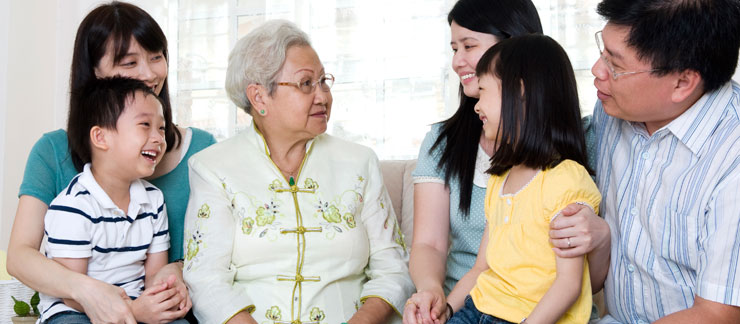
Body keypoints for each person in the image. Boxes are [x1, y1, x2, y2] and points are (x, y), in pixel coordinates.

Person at [182, 19, 414, 324]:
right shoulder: (212, 167)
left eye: (324, 81)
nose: (323, 96)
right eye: (306, 83)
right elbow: (206, 279)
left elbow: (393, 269)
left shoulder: (359, 162)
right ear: (259, 97)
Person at [404, 0, 612, 323]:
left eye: (469, 46)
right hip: (477, 303)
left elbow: (575, 281)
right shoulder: (494, 173)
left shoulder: (568, 171)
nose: (457, 61)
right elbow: (467, 261)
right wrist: (439, 302)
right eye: (453, 48)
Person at [7, 2, 214, 323]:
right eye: (130, 62)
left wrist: (179, 268)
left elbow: (225, 252)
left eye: (157, 56)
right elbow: (20, 256)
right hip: (79, 308)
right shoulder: (53, 153)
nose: (149, 73)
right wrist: (88, 290)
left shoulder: (201, 151)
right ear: (94, 72)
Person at [583, 0, 740, 323]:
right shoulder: (614, 109)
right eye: (603, 52)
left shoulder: (732, 156)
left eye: (615, 65)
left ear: (683, 83)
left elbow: (717, 314)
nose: (598, 71)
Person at [446, 34, 600, 324]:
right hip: (478, 309)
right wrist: (447, 310)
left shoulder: (566, 180)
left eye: (483, 92)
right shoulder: (500, 178)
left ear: (519, 92)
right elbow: (481, 268)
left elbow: (569, 285)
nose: (476, 106)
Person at [40, 77, 187, 324]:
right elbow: (72, 296)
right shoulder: (74, 206)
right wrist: (133, 312)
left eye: (161, 128)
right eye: (145, 125)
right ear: (101, 138)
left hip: (136, 302)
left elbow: (154, 275)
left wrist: (161, 296)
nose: (159, 138)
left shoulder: (153, 200)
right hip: (76, 311)